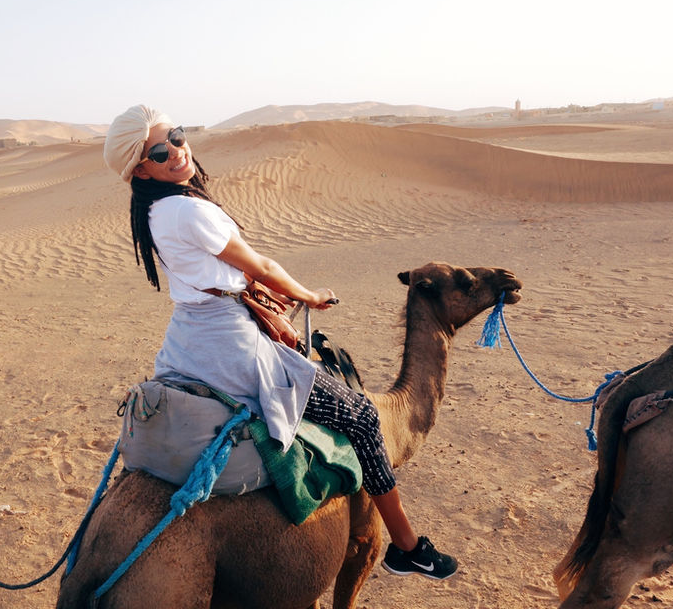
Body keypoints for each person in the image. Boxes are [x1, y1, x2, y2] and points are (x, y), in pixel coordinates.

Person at [102, 104, 457, 580]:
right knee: (363, 417)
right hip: (231, 345)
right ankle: (407, 548)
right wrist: (309, 295)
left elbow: (219, 277)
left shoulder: (155, 211)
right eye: (161, 151)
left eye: (179, 136)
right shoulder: (187, 210)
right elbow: (261, 267)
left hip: (190, 338)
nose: (177, 152)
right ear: (141, 168)